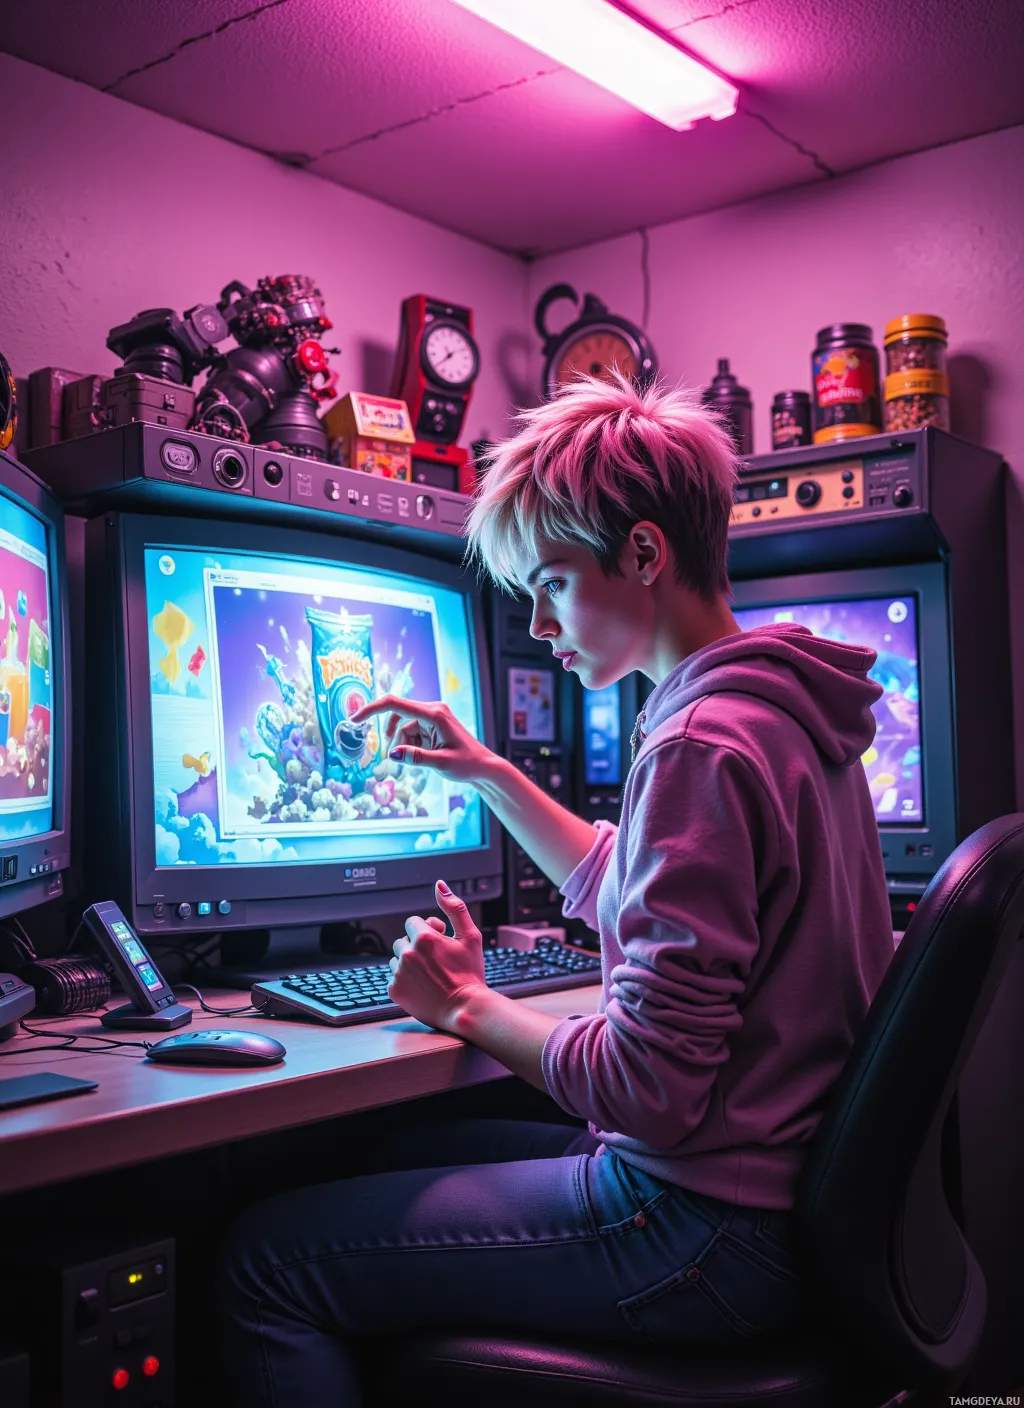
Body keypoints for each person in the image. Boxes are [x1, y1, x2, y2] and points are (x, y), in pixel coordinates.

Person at [219, 374, 895, 1407]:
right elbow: (629, 877)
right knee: (397, 1144)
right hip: (772, 1206)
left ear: (641, 553)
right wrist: (486, 771)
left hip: (700, 1229)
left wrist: (465, 1007)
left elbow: (646, 1092)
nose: (536, 623)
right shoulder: (773, 707)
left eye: (551, 584)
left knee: (268, 1260)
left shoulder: (700, 743)